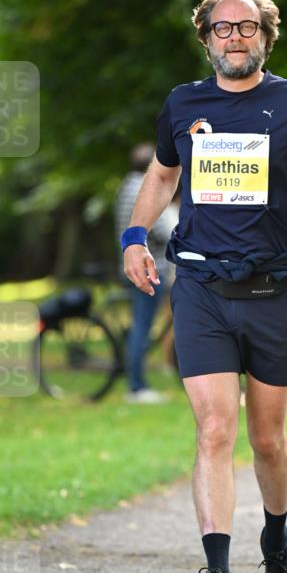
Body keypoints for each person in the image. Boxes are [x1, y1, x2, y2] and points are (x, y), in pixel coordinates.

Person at [122, 0, 287, 573]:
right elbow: (163, 176)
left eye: (246, 27)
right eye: (221, 29)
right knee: (216, 429)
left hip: (274, 289)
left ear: (265, 37)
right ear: (205, 38)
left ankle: (276, 545)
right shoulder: (183, 104)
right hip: (198, 286)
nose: (234, 38)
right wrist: (134, 238)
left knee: (267, 439)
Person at [115, 143, 178, 404]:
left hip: (131, 264)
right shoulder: (146, 188)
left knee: (140, 326)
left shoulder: (125, 185)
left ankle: (137, 383)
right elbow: (164, 231)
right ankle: (137, 386)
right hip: (151, 268)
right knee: (142, 327)